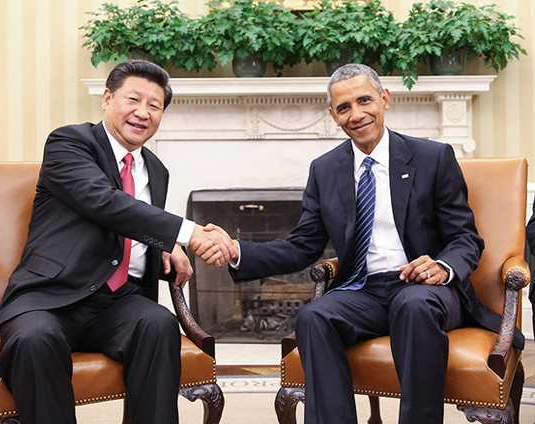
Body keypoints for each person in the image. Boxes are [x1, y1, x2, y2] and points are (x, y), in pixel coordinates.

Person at [203, 64, 524, 424]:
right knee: (313, 316)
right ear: (333, 116)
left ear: (385, 99)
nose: (356, 115)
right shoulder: (325, 170)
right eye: (344, 108)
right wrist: (237, 251)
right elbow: (303, 246)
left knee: (414, 305)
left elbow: (465, 237)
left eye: (364, 101)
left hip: (425, 288)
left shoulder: (432, 158)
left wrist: (442, 266)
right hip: (365, 291)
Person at [0, 60, 236, 424]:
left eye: (154, 106)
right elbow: (104, 202)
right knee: (35, 339)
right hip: (50, 296)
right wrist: (186, 233)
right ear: (107, 99)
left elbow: (133, 223)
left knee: (158, 324)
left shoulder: (156, 170)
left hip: (117, 303)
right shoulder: (69, 142)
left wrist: (166, 246)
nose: (143, 113)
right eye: (133, 100)